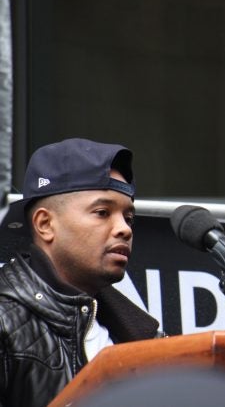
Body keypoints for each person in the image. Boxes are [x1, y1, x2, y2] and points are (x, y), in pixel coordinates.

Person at [0, 138, 162, 407]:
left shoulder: (142, 339)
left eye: (129, 217)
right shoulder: (5, 323)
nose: (124, 229)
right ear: (45, 224)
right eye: (102, 212)